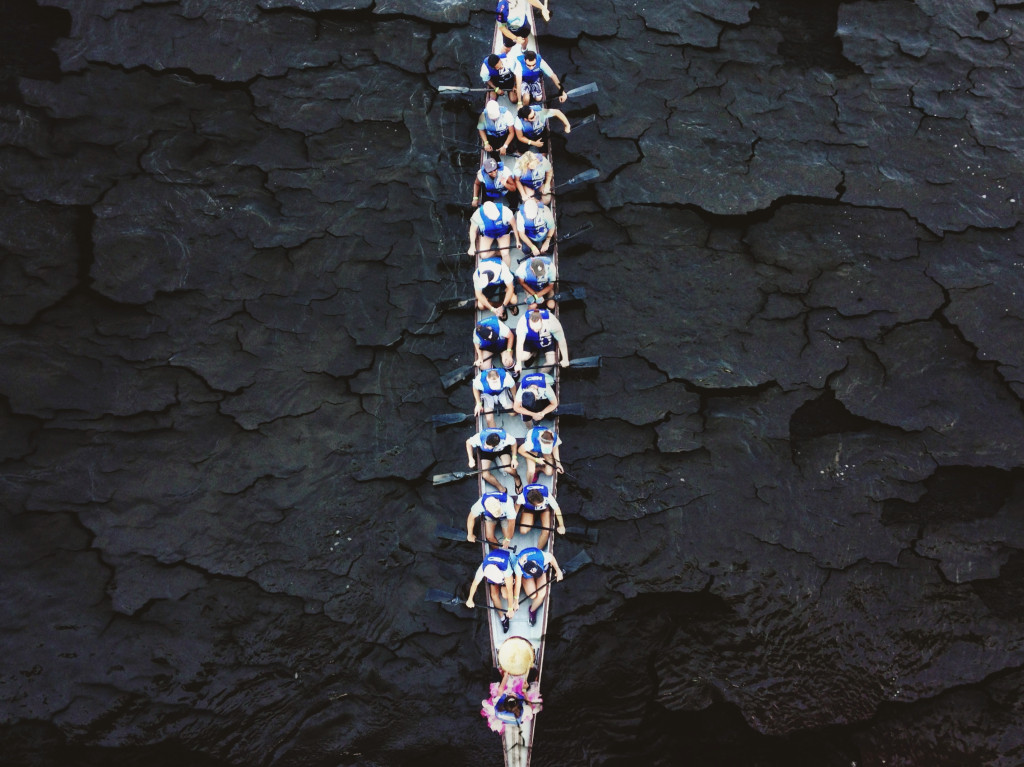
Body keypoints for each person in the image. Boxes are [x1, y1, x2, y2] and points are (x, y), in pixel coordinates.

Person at [466, 546, 519, 632]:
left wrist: (510, 609)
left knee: (505, 595)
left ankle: (511, 582)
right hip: (495, 573)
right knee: (494, 595)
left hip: (507, 565)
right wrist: (470, 599)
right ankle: (503, 618)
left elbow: (510, 591)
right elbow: (475, 584)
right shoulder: (483, 568)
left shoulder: (506, 569)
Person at [514, 546, 564, 625]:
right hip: (526, 576)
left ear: (535, 563)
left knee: (541, 594)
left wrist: (558, 570)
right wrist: (516, 601)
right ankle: (528, 578)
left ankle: (532, 610)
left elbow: (551, 557)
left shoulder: (541, 556)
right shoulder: (518, 566)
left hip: (541, 570)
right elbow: (518, 583)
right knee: (533, 595)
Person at [466, 426, 521, 493]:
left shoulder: (506, 438)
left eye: (488, 446)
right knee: (485, 475)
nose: (485, 446)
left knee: (508, 469)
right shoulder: (479, 437)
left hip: (502, 450)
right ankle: (501, 489)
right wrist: (471, 459)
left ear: (496, 445)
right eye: (485, 444)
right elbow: (468, 442)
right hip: (486, 452)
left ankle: (517, 478)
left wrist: (514, 458)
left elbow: (514, 443)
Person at [515, 308, 569, 373]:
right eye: (533, 328)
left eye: (537, 327)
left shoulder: (551, 322)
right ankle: (533, 353)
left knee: (551, 362)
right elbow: (519, 343)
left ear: (541, 320)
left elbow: (561, 339)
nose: (535, 330)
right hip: (531, 341)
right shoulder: (522, 322)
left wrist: (565, 359)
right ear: (529, 321)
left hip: (546, 341)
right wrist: (518, 363)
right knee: (521, 357)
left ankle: (541, 374)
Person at [515, 482, 564, 549]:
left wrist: (561, 525)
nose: (541, 504)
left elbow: (557, 509)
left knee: (546, 531)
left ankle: (538, 550)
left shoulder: (547, 495)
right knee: (523, 530)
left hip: (544, 509)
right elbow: (516, 509)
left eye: (542, 502)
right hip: (530, 509)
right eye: (539, 504)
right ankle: (532, 517)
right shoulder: (522, 497)